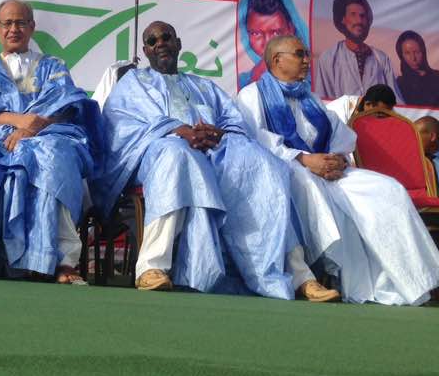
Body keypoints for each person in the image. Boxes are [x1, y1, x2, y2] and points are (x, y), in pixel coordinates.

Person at [93, 21, 337, 300]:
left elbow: (234, 122)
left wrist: (217, 134)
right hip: (158, 154)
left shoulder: (203, 86)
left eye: (166, 37)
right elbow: (120, 127)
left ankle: (299, 275)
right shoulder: (133, 83)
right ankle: (151, 267)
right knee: (177, 153)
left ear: (178, 44)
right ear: (146, 51)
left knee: (264, 164)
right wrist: (178, 130)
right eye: (152, 41)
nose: (160, 43)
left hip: (214, 153)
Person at [237, 35, 439, 304]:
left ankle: (409, 281)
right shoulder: (252, 95)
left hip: (328, 170)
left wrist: (338, 159)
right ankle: (317, 277)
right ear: (277, 60)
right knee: (307, 184)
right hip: (286, 168)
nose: (307, 60)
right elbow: (254, 141)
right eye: (300, 54)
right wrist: (304, 159)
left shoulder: (310, 98)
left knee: (388, 189)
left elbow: (341, 137)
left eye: (307, 54)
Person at [0, 0, 99, 285]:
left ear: (32, 27)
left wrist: (33, 128)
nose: (14, 29)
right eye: (8, 23)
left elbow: (67, 102)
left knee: (55, 154)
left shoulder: (53, 65)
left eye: (21, 23)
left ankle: (62, 259)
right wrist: (19, 121)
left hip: (49, 133)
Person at [313, 0, 399, 101]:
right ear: (343, 19)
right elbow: (323, 101)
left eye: (363, 16)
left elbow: (396, 101)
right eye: (353, 14)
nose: (359, 20)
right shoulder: (329, 58)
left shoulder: (381, 59)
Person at [237, 0, 307, 89]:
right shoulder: (239, 84)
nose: (267, 43)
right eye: (256, 33)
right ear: (246, 34)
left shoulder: (311, 80)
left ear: (291, 29)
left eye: (276, 32)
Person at [393, 31, 439, 108]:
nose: (413, 58)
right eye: (407, 53)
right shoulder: (399, 85)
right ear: (401, 55)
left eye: (417, 52)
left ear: (423, 51)